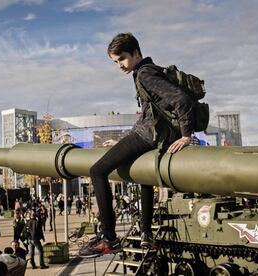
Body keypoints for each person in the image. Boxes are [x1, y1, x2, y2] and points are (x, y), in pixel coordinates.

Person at [79, 33, 193, 258]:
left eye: (122, 59)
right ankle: (146, 235)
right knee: (144, 176)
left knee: (97, 171)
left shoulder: (145, 74)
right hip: (154, 133)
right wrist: (124, 142)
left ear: (136, 53)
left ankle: (109, 238)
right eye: (115, 62)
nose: (119, 65)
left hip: (150, 135)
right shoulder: (146, 70)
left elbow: (182, 100)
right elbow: (150, 114)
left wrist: (187, 135)